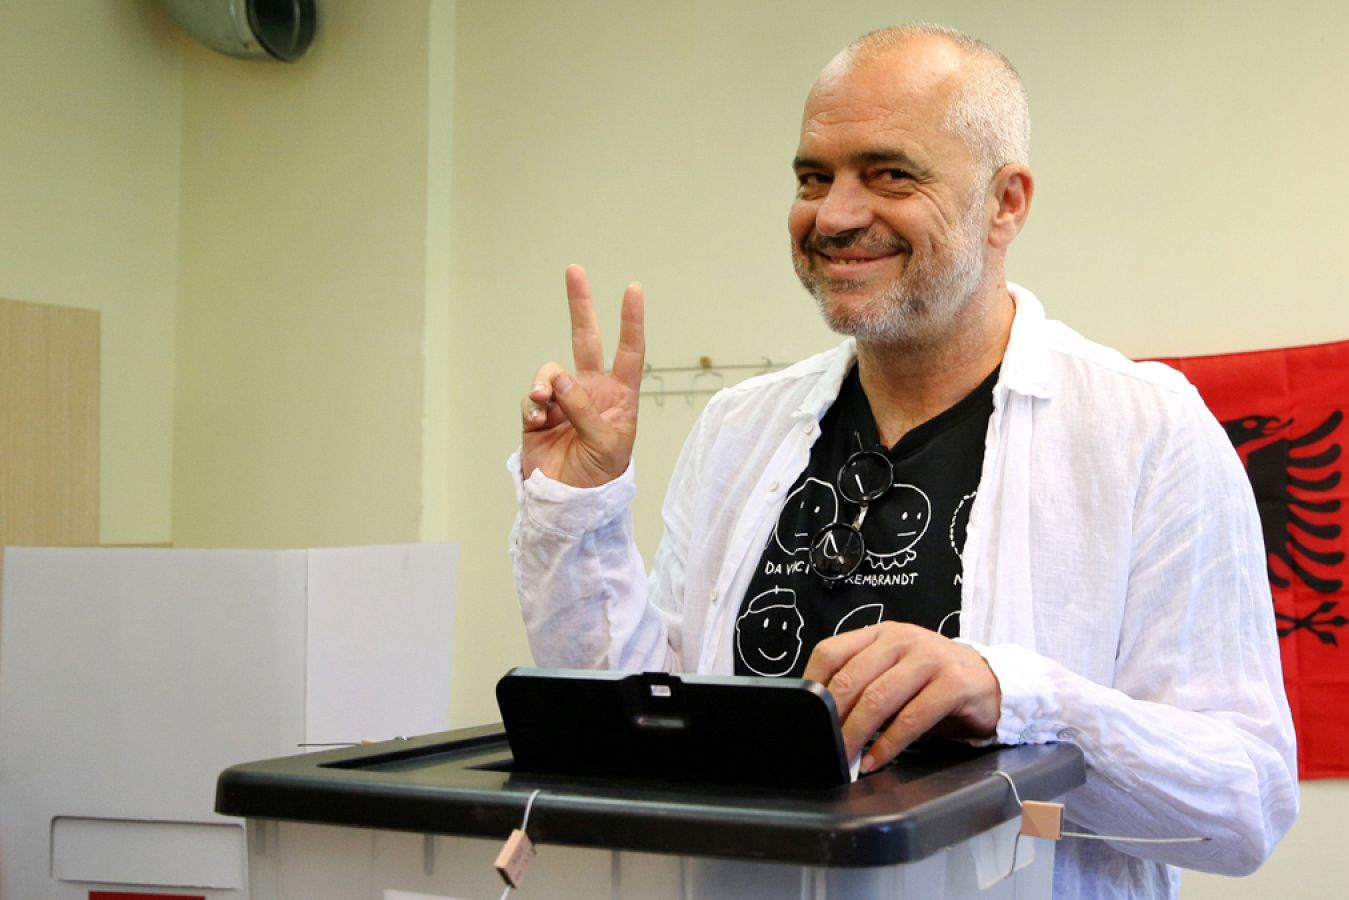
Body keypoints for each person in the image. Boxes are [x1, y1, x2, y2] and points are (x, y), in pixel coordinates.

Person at [509, 24, 1297, 898]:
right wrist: (580, 511)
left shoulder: (1143, 431)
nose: (836, 215)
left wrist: (1013, 695)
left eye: (889, 173)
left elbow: (1241, 806)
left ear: (1006, 202)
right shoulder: (741, 429)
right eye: (815, 177)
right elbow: (644, 736)